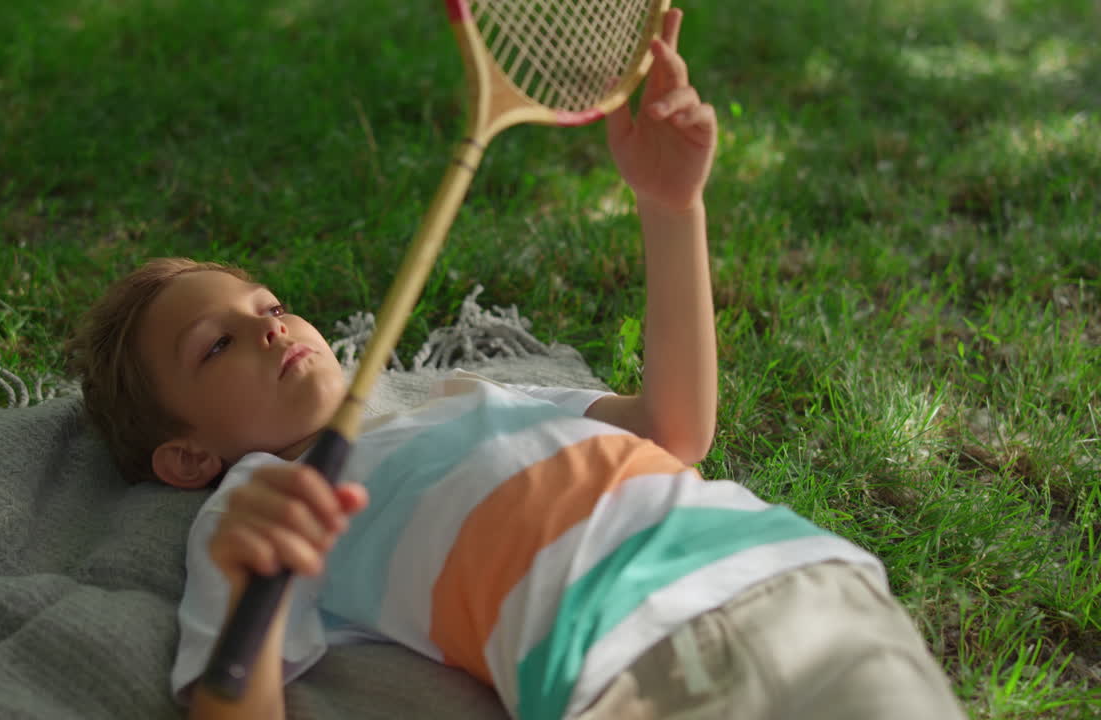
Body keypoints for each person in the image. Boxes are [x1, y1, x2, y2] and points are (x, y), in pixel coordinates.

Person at [68, 9, 966, 720]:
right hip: (626, 671)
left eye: (265, 305)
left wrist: (669, 205)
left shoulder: (469, 397)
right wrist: (246, 581)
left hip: (804, 582)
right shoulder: (252, 508)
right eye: (216, 344)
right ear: (187, 457)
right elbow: (234, 708)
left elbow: (676, 431)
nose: (267, 326)